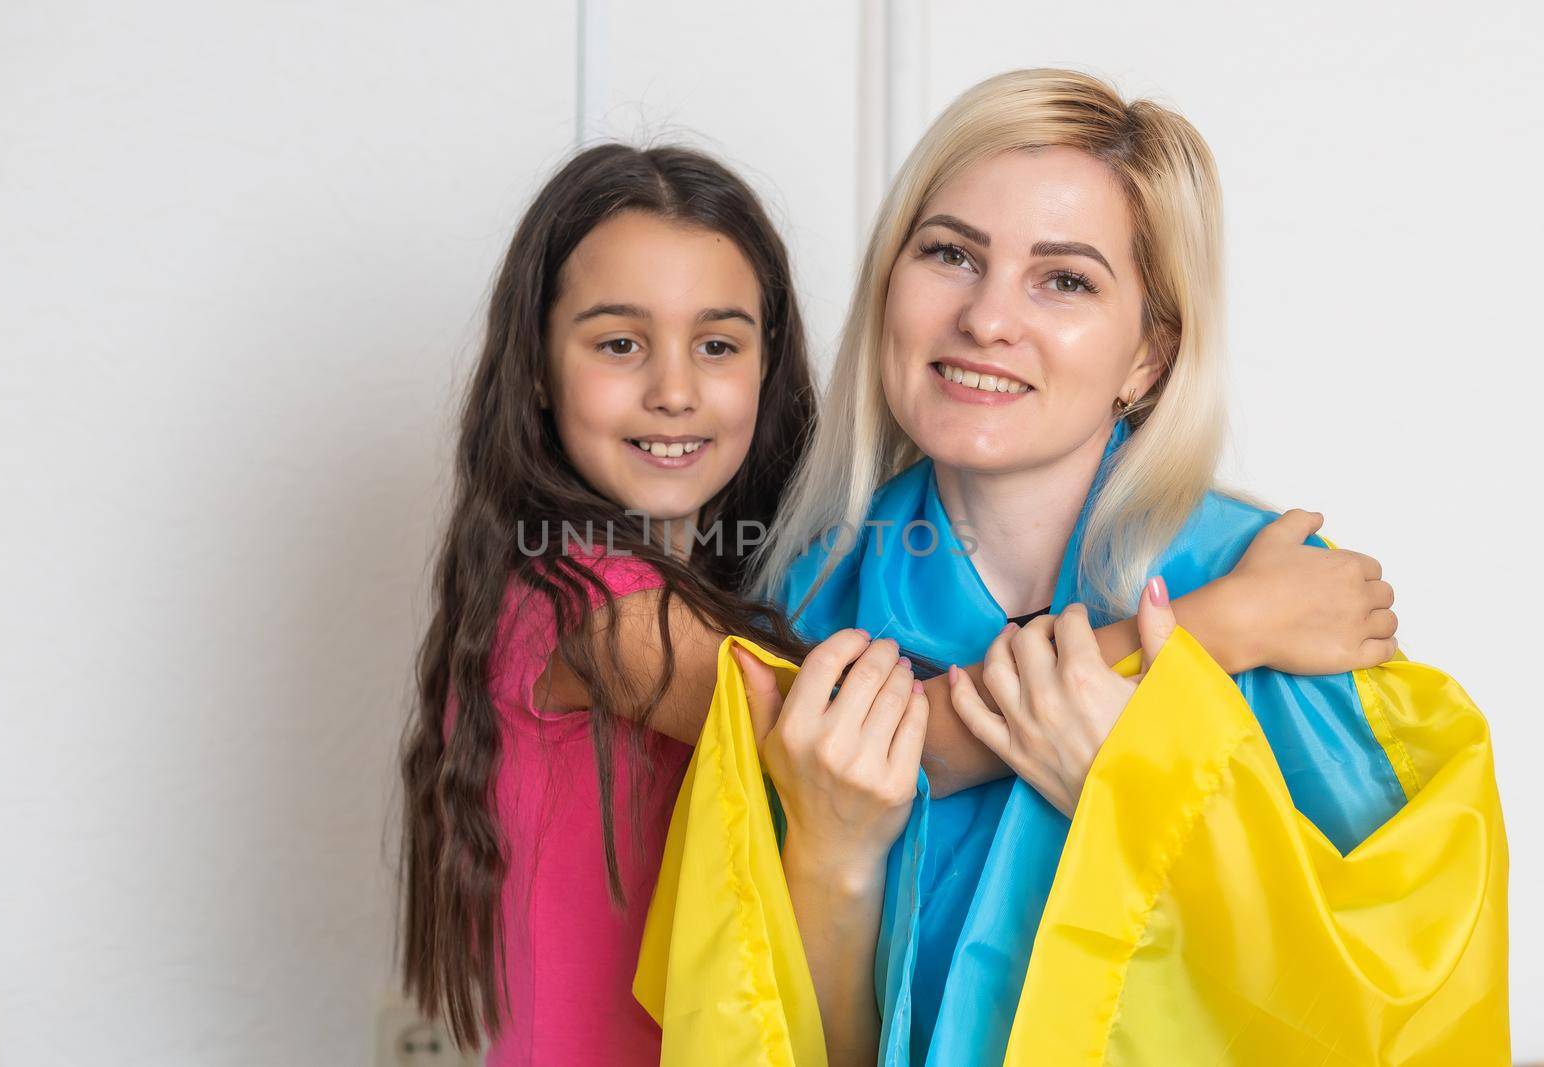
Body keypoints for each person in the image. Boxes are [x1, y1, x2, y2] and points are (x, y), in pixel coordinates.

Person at [639, 68, 1508, 1066]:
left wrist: (1158, 804)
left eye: (1064, 279)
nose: (986, 318)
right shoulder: (799, 606)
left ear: (1149, 353)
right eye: (950, 253)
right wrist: (834, 867)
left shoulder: (1293, 609)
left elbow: (1394, 1018)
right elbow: (772, 1034)